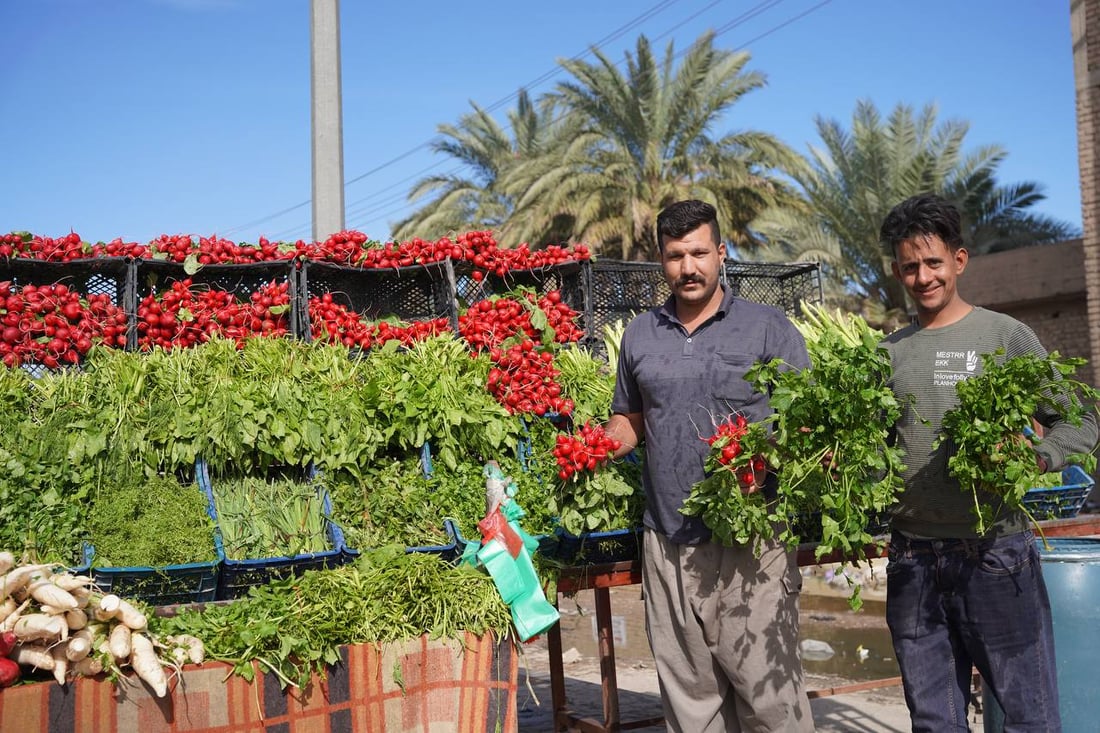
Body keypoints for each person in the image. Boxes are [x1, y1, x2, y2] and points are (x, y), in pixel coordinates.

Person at [878, 193, 1098, 732]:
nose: (923, 277)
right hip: (912, 561)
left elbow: (1081, 423)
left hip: (996, 554)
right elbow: (875, 451)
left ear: (959, 260)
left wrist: (1036, 456)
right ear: (897, 272)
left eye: (933, 262)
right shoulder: (887, 354)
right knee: (935, 722)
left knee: (1029, 717)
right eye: (910, 267)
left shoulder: (1004, 336)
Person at [604, 199, 815, 732]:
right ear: (662, 261)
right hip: (668, 541)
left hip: (751, 538)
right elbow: (630, 418)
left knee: (770, 700)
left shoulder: (766, 327)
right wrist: (594, 447)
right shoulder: (640, 334)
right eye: (676, 256)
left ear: (721, 253)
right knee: (691, 702)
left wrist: (765, 456)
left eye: (699, 253)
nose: (688, 267)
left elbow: (806, 421)